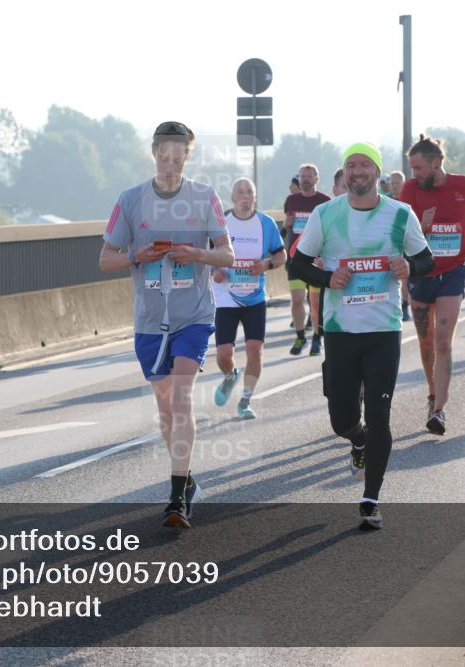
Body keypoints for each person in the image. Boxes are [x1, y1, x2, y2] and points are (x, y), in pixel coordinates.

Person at [291, 142, 433, 529]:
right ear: (345, 173)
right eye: (350, 165)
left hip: (383, 330)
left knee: (380, 415)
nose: (356, 171)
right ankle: (357, 440)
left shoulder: (400, 214)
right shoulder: (325, 214)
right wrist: (326, 278)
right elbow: (298, 262)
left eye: (364, 165)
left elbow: (427, 258)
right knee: (342, 419)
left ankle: (371, 499)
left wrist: (409, 267)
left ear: (377, 173)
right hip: (340, 331)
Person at [99, 121, 234, 528]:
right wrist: (137, 256)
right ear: (155, 153)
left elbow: (226, 255)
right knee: (164, 409)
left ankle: (176, 499)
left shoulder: (205, 197)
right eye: (165, 155)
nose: (171, 163)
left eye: (179, 157)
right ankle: (187, 477)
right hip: (149, 320)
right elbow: (105, 259)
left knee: (181, 398)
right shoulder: (131, 200)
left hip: (192, 315)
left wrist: (197, 254)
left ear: (187, 157)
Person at [399, 134, 465, 436]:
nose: (414, 174)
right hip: (420, 273)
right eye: (412, 169)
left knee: (443, 342)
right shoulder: (410, 189)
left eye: (418, 168)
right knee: (426, 344)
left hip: (453, 272)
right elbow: (400, 233)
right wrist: (423, 228)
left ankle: (439, 410)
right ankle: (431, 395)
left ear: (437, 162)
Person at [212, 178, 287, 419]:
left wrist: (266, 264)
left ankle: (245, 401)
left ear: (255, 197)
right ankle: (230, 375)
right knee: (224, 355)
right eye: (240, 192)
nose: (245, 195)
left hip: (255, 297)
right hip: (227, 298)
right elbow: (208, 255)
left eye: (249, 192)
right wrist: (216, 271)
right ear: (232, 198)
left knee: (255, 350)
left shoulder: (265, 223)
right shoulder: (221, 222)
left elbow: (281, 255)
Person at [284, 164, 331, 356]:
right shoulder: (291, 201)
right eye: (302, 176)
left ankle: (317, 339)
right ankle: (300, 335)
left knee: (315, 302)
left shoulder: (325, 202)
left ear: (316, 179)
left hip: (315, 259)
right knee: (296, 300)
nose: (305, 179)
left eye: (309, 176)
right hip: (296, 258)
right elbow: (289, 228)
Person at [389, 170, 410, 320]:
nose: (395, 186)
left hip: (406, 242)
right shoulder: (384, 200)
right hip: (389, 244)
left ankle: (405, 305)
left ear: (403, 183)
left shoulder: (409, 201)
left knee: (405, 277)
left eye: (398, 182)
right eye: (392, 183)